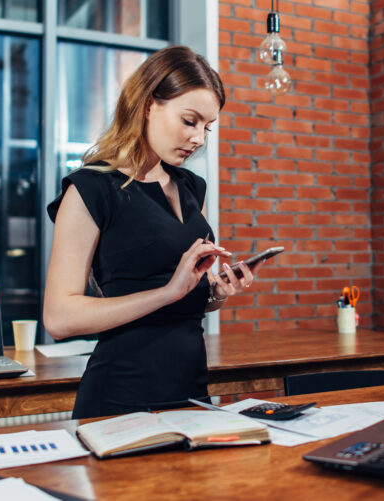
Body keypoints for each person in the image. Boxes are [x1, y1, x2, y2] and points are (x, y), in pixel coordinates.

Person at [44, 46, 263, 419]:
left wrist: (215, 294)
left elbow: (184, 299)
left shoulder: (194, 188)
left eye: (207, 128)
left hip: (192, 397)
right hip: (119, 402)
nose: (199, 139)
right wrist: (167, 292)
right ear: (149, 104)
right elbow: (59, 318)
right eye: (190, 121)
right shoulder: (90, 189)